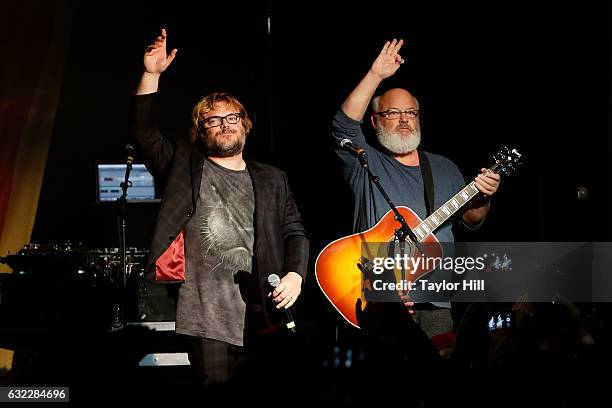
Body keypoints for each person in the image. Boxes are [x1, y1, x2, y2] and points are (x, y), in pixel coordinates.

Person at [129, 29, 309, 399]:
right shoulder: (183, 164)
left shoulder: (273, 178)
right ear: (199, 131)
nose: (225, 124)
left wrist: (296, 274)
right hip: (206, 310)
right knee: (216, 395)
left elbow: (295, 231)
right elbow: (142, 133)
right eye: (213, 120)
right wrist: (152, 74)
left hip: (264, 307)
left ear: (245, 124)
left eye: (232, 117)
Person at [331, 39, 500, 344]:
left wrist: (484, 198)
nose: (405, 119)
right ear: (375, 120)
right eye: (394, 113)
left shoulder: (445, 168)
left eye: (411, 112)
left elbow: (471, 221)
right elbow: (343, 125)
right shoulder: (363, 160)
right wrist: (376, 75)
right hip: (377, 298)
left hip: (436, 302)